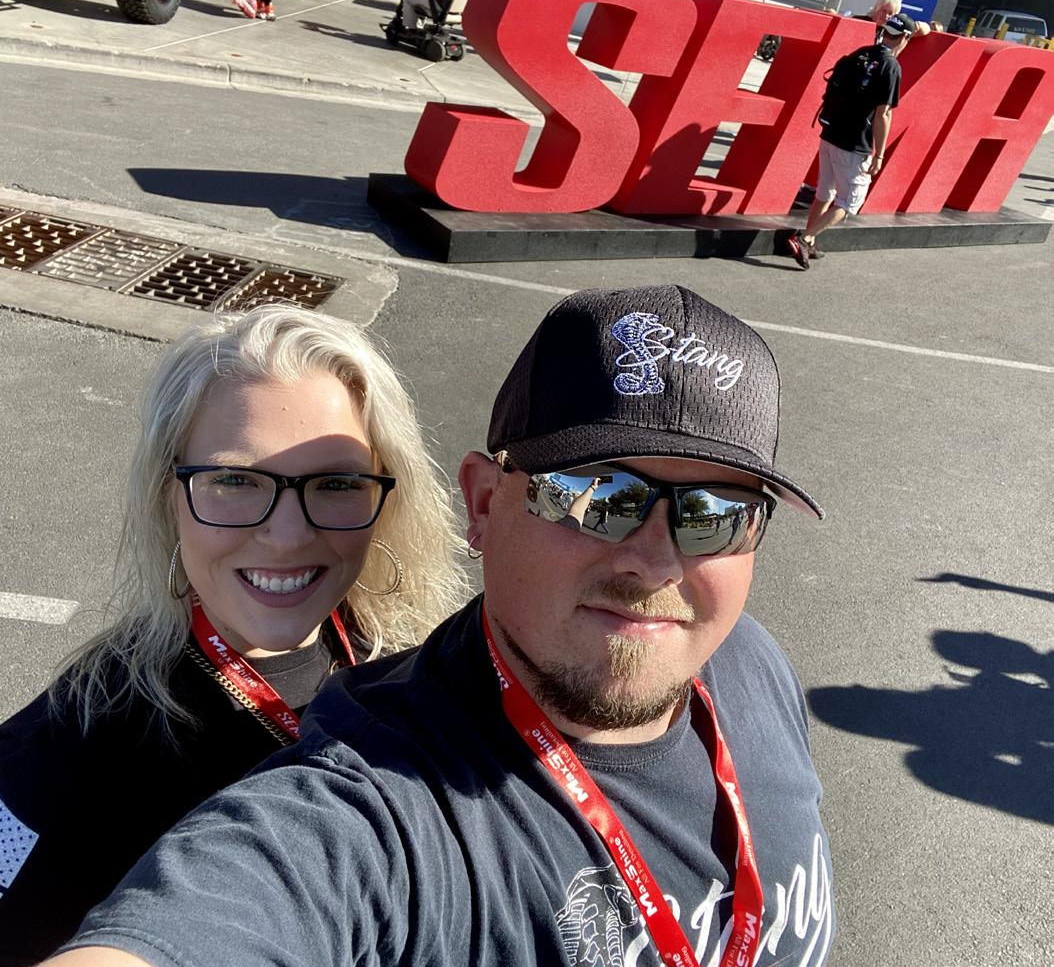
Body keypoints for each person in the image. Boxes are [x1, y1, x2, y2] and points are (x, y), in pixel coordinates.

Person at [44, 285, 834, 967]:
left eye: (716, 514)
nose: (656, 563)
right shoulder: (369, 813)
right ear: (484, 502)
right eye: (597, 497)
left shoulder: (748, 663)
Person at [0, 304, 466, 965]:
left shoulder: (414, 668)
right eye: (234, 480)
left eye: (336, 483)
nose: (288, 536)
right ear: (168, 493)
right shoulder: (60, 751)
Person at [784, 12, 916, 268]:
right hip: (855, 144)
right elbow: (883, 114)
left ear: (885, 32)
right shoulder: (891, 67)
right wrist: (879, 154)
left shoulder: (861, 54)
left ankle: (809, 243)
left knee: (824, 193)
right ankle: (804, 238)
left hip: (830, 133)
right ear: (905, 38)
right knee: (849, 202)